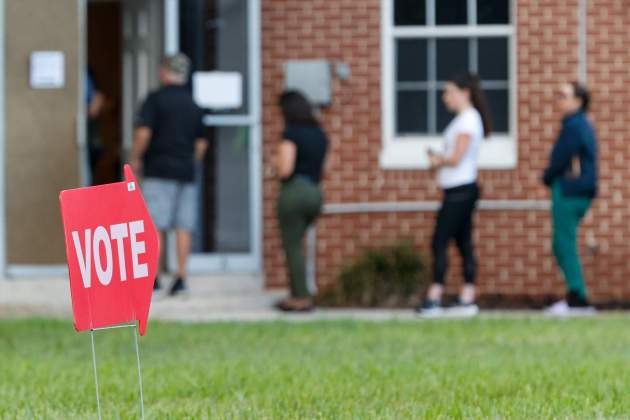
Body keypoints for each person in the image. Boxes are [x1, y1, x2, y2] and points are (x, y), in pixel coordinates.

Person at [130, 53, 208, 296]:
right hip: (185, 171)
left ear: (164, 72)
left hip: (159, 169)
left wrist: (135, 158)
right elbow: (201, 144)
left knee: (155, 226)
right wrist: (190, 161)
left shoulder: (155, 100)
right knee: (184, 227)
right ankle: (181, 278)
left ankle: (153, 279)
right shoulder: (193, 103)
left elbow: (144, 133)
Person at [417, 73, 492, 317]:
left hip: (461, 188)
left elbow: (457, 157)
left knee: (440, 240)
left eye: (449, 91)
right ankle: (466, 297)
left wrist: (437, 159)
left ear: (464, 92)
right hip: (459, 188)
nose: (445, 97)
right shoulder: (465, 119)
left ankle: (435, 296)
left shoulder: (468, 120)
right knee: (463, 242)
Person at [543, 82, 597, 316]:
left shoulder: (575, 125)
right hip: (575, 190)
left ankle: (578, 300)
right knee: (562, 243)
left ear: (578, 101)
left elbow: (561, 158)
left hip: (570, 190)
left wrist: (547, 177)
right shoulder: (578, 124)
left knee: (564, 244)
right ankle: (576, 296)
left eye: (563, 95)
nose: (559, 100)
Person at [275, 91, 329, 312]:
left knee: (293, 245)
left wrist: (273, 167)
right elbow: (327, 168)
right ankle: (301, 292)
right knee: (300, 243)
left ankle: (300, 297)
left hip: (294, 192)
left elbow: (285, 170)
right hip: (315, 193)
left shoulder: (290, 134)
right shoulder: (320, 134)